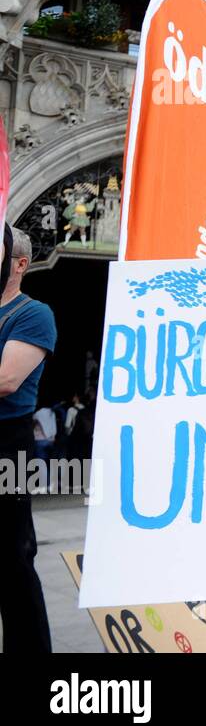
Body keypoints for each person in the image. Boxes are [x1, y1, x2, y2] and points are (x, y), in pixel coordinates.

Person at [0, 225, 57, 653]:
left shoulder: (32, 313)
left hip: (8, 444)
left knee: (12, 560)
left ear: (18, 264)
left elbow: (6, 379)